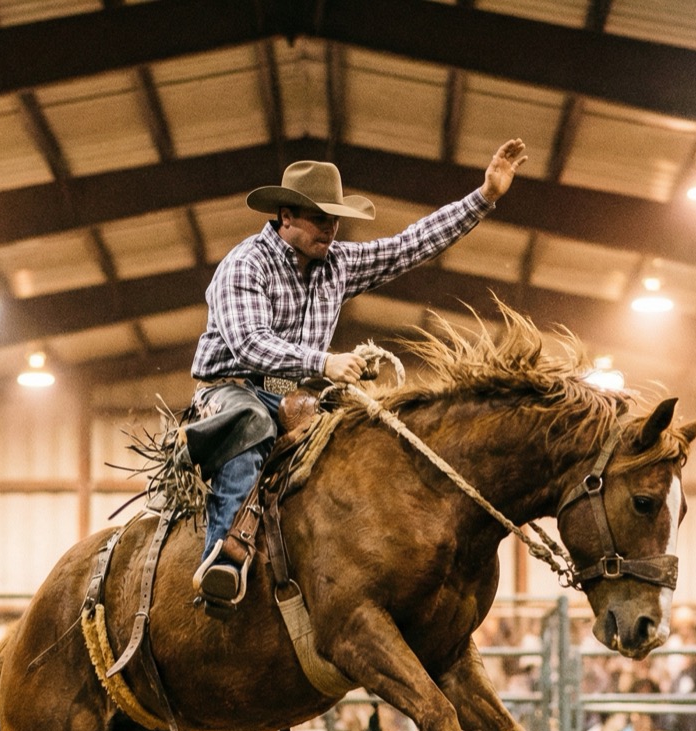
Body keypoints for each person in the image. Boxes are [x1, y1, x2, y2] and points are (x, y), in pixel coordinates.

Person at [186, 139, 530, 612]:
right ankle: (222, 564)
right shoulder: (244, 266)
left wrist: (484, 197)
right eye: (319, 218)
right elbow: (249, 343)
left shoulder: (338, 265)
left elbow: (412, 244)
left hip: (300, 394)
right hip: (234, 388)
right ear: (285, 216)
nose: (330, 228)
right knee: (250, 426)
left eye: (334, 219)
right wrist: (324, 363)